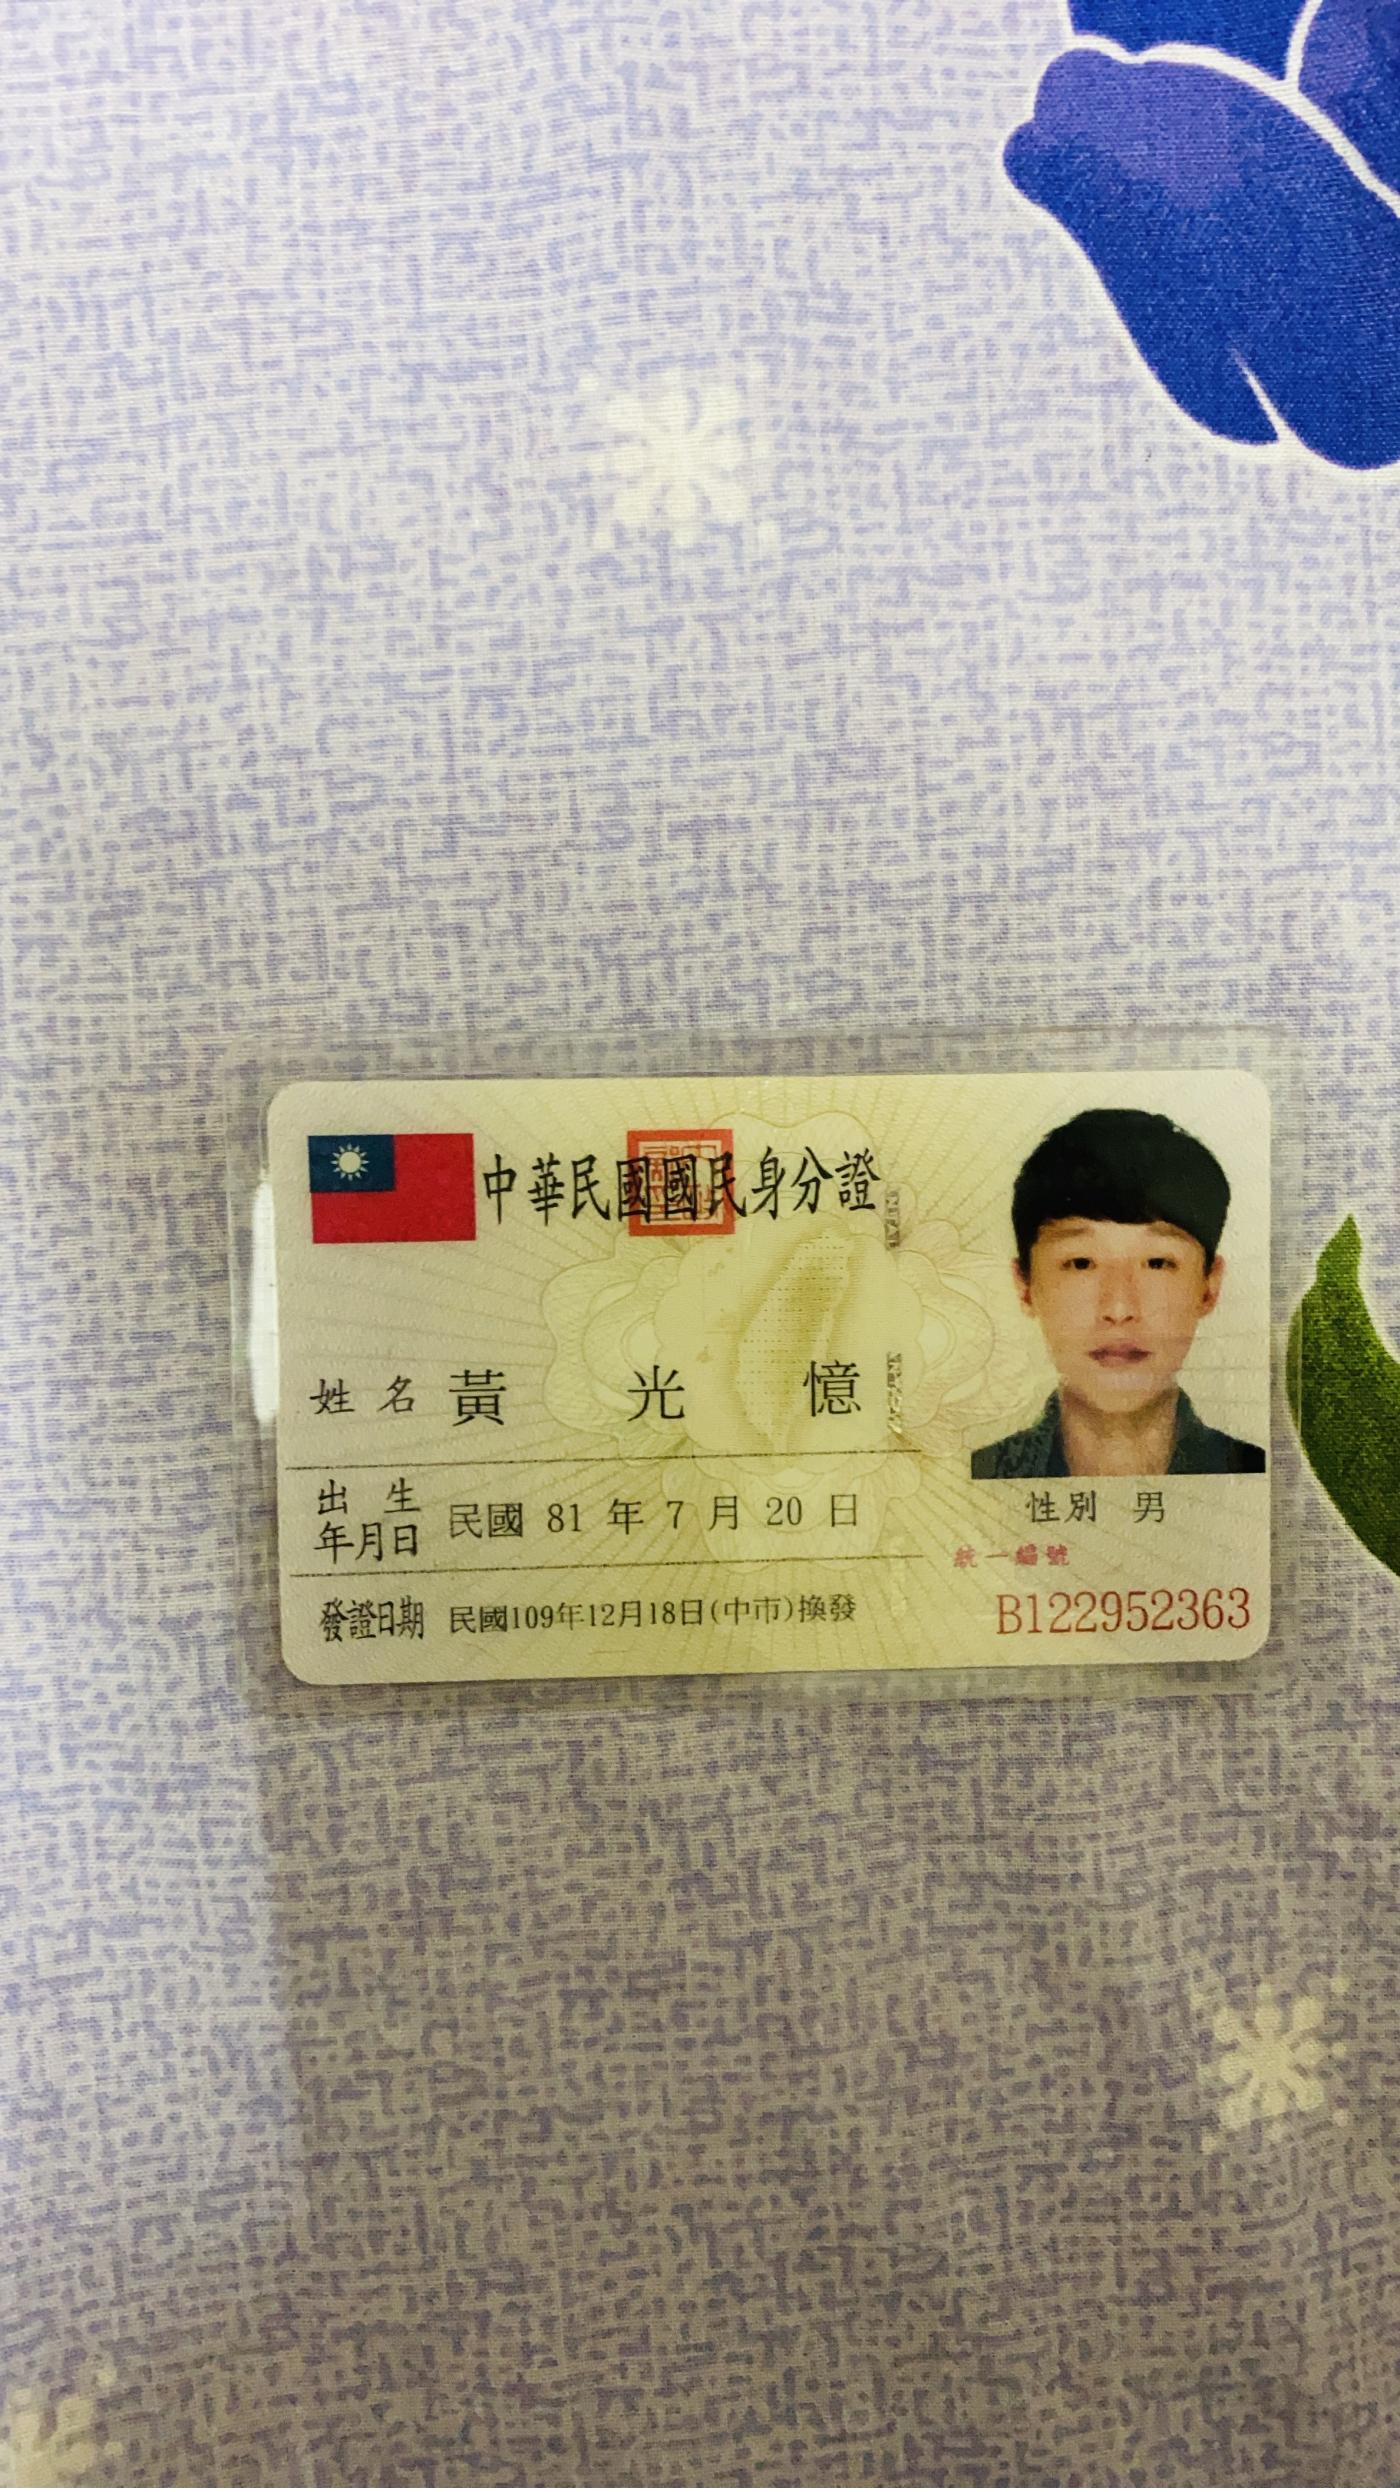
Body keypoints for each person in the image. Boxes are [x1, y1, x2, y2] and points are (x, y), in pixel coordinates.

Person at [970, 1107, 1267, 1478]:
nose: (1119, 1307)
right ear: (1025, 1287)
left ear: (1209, 1287)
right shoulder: (977, 1478)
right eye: (1081, 1263)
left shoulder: (1255, 1473)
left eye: (1157, 1263)